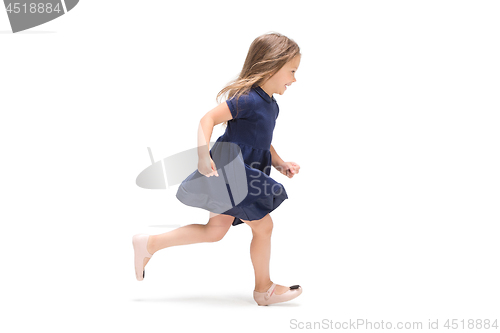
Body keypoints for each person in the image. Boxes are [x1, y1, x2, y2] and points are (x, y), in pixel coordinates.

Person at [133, 32, 302, 306]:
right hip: (232, 171)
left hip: (244, 171)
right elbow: (207, 118)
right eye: (292, 71)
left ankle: (149, 243)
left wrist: (280, 162)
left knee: (215, 232)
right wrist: (203, 156)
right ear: (272, 66)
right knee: (264, 226)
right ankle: (264, 289)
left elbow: (262, 141)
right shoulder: (248, 99)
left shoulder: (272, 106)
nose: (294, 79)